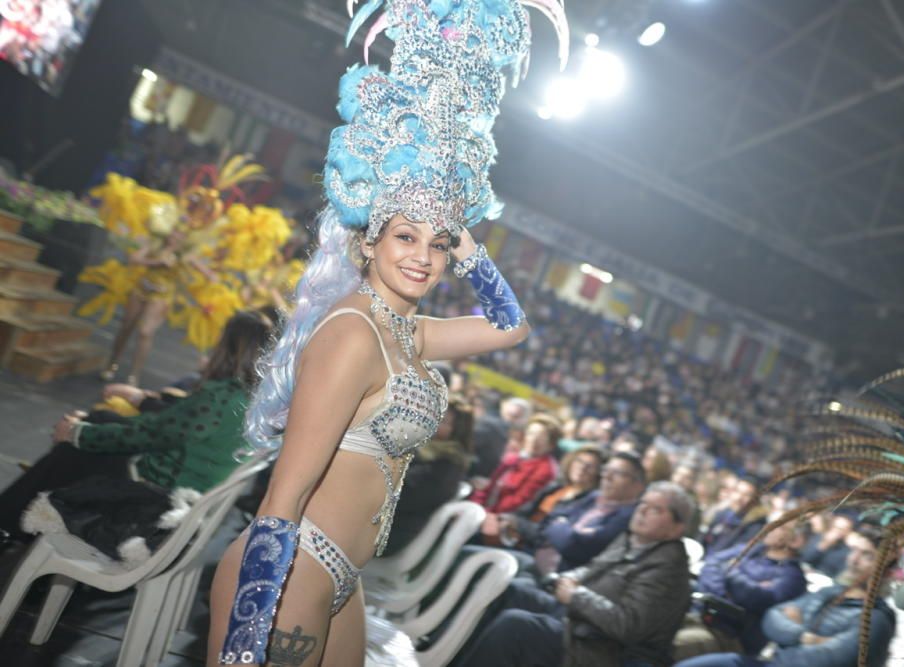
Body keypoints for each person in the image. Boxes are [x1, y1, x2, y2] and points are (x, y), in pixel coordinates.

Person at [206, 0, 568, 663]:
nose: (422, 257)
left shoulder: (407, 332)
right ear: (370, 240)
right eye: (405, 235)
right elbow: (283, 495)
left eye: (437, 245)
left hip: (344, 577)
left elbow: (509, 327)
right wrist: (244, 640)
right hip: (294, 572)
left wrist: (464, 241)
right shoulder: (352, 335)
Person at [0, 309, 275, 543]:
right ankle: (22, 515)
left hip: (159, 496)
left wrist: (77, 433)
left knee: (73, 451)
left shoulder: (221, 397)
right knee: (97, 425)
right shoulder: (252, 398)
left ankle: (10, 520)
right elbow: (165, 426)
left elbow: (151, 434)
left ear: (229, 348)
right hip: (183, 488)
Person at [457, 482, 695, 667]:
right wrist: (566, 579)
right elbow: (593, 569)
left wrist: (576, 595)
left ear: (677, 528)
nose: (641, 512)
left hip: (600, 649)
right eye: (642, 504)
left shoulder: (667, 571)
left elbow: (627, 626)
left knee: (515, 626)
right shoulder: (632, 540)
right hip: (580, 621)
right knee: (509, 591)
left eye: (655, 509)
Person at [674, 523, 897, 667]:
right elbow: (772, 618)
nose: (853, 560)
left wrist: (790, 630)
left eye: (866, 555)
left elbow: (826, 660)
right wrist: (806, 637)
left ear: (887, 571)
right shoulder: (830, 593)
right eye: (854, 551)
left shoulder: (877, 620)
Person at [673, 521, 808, 660]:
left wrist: (731, 573)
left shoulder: (793, 577)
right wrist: (722, 593)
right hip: (702, 615)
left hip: (730, 636)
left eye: (781, 527)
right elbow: (712, 563)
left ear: (797, 540)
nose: (769, 528)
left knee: (671, 646)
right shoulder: (751, 550)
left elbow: (757, 598)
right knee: (655, 630)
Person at [381, 395, 475, 556]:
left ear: (456, 430)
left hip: (392, 530)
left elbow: (407, 495)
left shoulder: (449, 463)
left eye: (443, 420)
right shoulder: (419, 444)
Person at [526, 451, 646, 575]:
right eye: (606, 470)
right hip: (534, 554)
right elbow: (549, 521)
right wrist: (567, 531)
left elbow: (572, 546)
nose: (607, 477)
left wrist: (562, 526)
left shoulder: (627, 517)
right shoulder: (593, 496)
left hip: (557, 576)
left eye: (618, 473)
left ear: (638, 486)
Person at [482, 444, 604, 548]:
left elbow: (548, 534)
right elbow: (523, 511)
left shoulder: (588, 502)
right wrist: (508, 519)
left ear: (598, 473)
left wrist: (518, 523)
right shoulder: (556, 488)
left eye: (590, 466)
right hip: (513, 535)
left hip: (533, 548)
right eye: (579, 461)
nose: (582, 468)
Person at [470, 413, 562, 514]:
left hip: (500, 516)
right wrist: (477, 503)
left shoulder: (546, 469)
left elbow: (519, 501)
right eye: (531, 433)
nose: (534, 439)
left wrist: (489, 512)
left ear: (551, 443)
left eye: (542, 436)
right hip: (482, 509)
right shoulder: (513, 457)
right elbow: (489, 486)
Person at [701, 477, 768, 557]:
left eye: (746, 495)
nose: (738, 498)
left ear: (756, 500)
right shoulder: (725, 512)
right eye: (737, 491)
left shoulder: (756, 524)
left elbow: (736, 553)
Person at [801, 513, 855, 577]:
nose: (837, 531)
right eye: (836, 527)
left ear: (847, 532)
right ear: (831, 527)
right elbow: (804, 559)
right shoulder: (818, 538)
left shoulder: (846, 551)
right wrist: (823, 545)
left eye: (842, 529)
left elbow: (838, 573)